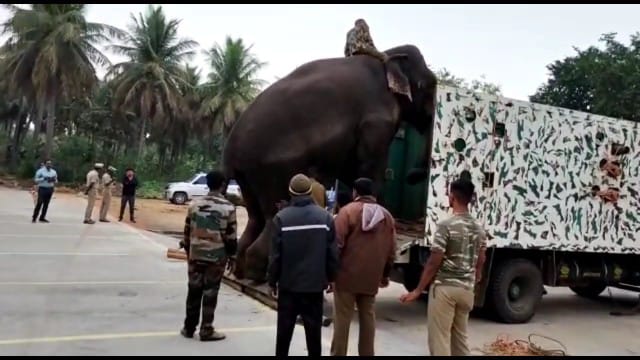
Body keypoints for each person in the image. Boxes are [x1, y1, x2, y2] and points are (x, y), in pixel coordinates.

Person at [399, 176, 487, 356]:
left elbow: (434, 260)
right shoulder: (479, 227)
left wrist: (418, 290)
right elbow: (482, 258)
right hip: (466, 290)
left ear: (452, 197)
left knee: (439, 340)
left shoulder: (446, 225)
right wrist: (475, 277)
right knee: (460, 340)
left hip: (446, 288)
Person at [268, 174, 339, 357]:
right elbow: (332, 253)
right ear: (310, 191)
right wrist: (332, 278)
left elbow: (275, 256)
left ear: (290, 192)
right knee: (313, 333)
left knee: (284, 332)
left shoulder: (281, 218)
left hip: (288, 286)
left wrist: (271, 281)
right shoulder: (326, 218)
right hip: (314, 286)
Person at [330, 177, 396, 356]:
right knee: (368, 317)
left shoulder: (347, 212)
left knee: (342, 320)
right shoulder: (387, 217)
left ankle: (338, 354)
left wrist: (330, 274)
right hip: (371, 278)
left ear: (355, 193)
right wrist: (385, 275)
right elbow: (392, 251)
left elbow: (336, 245)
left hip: (346, 277)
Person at [180, 170, 237, 341]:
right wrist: (233, 257)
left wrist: (189, 250)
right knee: (210, 293)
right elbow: (231, 236)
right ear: (222, 185)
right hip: (216, 257)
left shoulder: (194, 205)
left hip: (196, 255)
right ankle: (206, 330)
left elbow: (187, 231)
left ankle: (189, 328)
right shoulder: (228, 207)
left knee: (193, 291)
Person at [344, 18, 412, 101]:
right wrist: (381, 55)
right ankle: (395, 85)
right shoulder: (362, 28)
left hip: (352, 54)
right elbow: (370, 45)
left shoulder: (349, 32)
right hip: (361, 49)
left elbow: (346, 50)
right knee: (385, 58)